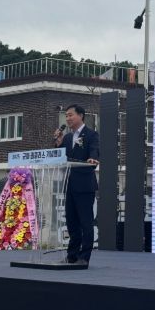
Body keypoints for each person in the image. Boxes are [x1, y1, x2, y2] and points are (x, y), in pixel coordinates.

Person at [53, 104, 99, 266]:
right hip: (69, 185)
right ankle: (72, 255)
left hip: (85, 185)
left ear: (81, 115)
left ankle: (84, 257)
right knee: (72, 223)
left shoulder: (91, 134)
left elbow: (94, 150)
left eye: (70, 115)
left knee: (86, 223)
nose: (68, 118)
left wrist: (93, 158)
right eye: (66, 116)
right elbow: (60, 158)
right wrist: (58, 144)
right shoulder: (66, 137)